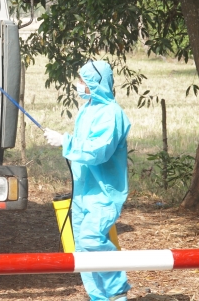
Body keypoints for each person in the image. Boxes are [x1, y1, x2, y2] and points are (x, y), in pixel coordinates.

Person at [44, 60, 131, 301]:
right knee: (83, 247)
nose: (79, 85)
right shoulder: (88, 108)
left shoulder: (112, 114)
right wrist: (67, 140)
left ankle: (117, 289)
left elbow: (98, 150)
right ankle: (99, 297)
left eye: (83, 81)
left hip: (104, 192)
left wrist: (65, 141)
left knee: (92, 238)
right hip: (84, 191)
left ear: (96, 83)